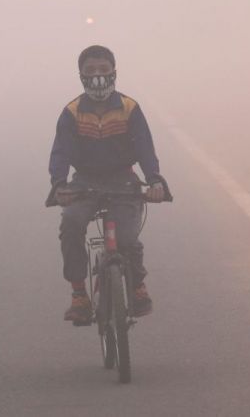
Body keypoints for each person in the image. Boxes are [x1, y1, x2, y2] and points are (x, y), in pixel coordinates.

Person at [47, 45, 169, 324]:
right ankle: (79, 294)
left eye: (103, 69)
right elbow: (61, 152)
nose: (98, 76)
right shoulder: (71, 112)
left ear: (114, 72)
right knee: (71, 224)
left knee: (127, 240)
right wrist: (59, 185)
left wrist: (154, 180)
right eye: (91, 71)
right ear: (81, 75)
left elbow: (146, 149)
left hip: (124, 181)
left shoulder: (129, 108)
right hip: (84, 183)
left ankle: (137, 286)